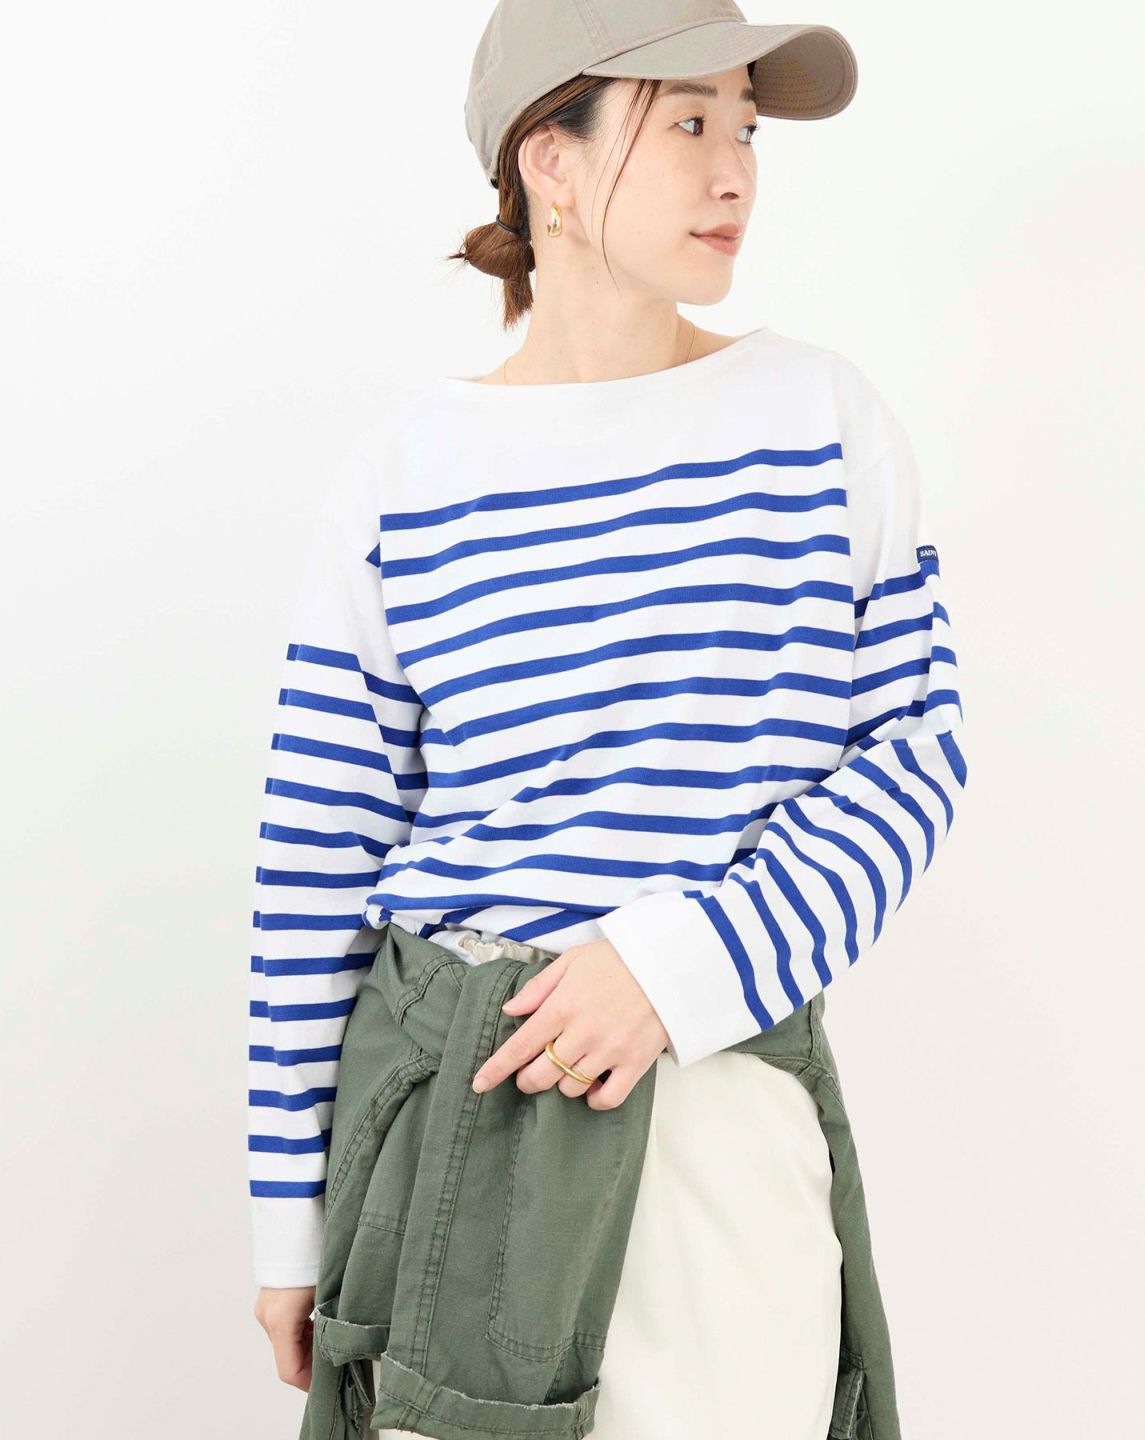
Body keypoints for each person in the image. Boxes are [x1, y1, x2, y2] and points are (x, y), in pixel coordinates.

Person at [248, 3, 968, 1437]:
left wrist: (678, 964)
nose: (735, 170)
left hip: (715, 1102)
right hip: (449, 1108)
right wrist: (287, 1219)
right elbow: (317, 862)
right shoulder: (404, 477)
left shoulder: (818, 421)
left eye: (745, 127)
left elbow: (913, 757)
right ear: (551, 163)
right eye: (688, 121)